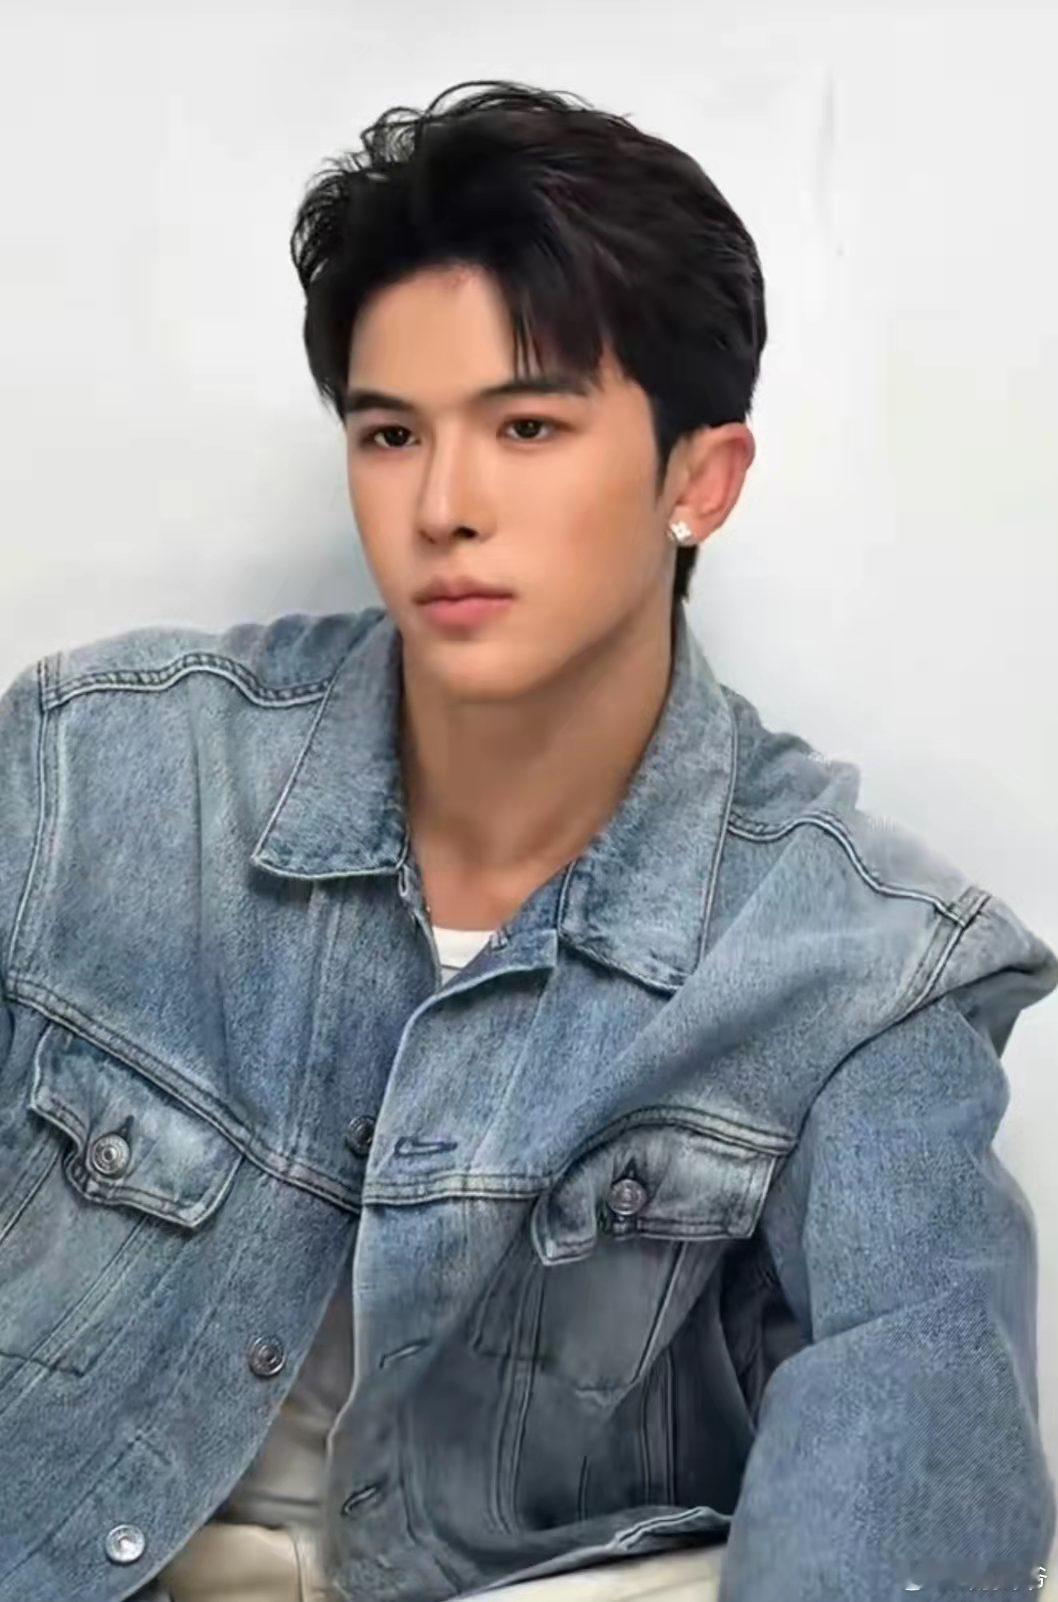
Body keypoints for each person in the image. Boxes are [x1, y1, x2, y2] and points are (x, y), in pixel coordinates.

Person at [0, 78, 1053, 1602]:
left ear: (700, 479)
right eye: (389, 432)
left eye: (528, 426)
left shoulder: (856, 964)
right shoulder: (94, 772)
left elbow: (911, 1467)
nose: (444, 504)